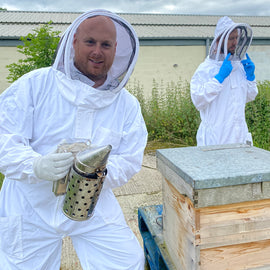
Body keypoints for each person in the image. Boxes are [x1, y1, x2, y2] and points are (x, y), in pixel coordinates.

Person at [0, 9, 148, 270]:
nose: (97, 52)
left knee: (126, 261)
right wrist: (35, 165)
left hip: (91, 203)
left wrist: (93, 176)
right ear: (74, 42)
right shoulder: (34, 86)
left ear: (117, 50)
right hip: (30, 204)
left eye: (106, 45)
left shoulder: (126, 105)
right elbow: (4, 139)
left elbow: (130, 158)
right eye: (90, 42)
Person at [190, 16, 258, 146]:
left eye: (236, 38)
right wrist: (219, 79)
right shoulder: (206, 69)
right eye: (231, 38)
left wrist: (251, 77)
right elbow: (198, 100)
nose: (235, 42)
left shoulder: (239, 67)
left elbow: (249, 96)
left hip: (239, 137)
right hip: (215, 139)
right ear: (220, 40)